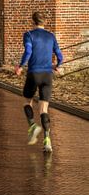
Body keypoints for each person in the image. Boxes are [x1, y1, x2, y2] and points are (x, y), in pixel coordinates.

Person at [15, 11, 63, 153]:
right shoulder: (51, 36)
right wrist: (58, 66)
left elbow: (28, 52)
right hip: (47, 75)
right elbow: (60, 55)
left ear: (33, 21)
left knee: (27, 101)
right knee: (44, 109)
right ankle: (47, 141)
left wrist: (20, 66)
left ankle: (33, 126)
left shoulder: (29, 35)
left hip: (34, 73)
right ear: (45, 22)